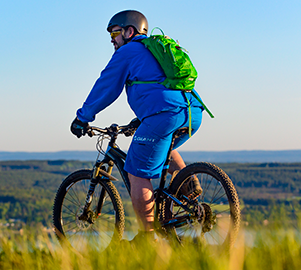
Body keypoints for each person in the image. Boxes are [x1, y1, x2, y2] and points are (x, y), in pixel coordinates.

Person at [70, 10, 205, 238]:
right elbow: (159, 86)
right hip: (192, 111)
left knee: (137, 173)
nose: (112, 39)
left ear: (129, 31)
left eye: (114, 32)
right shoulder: (153, 49)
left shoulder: (129, 51)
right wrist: (142, 119)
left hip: (164, 114)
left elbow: (106, 87)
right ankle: (188, 187)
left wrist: (83, 117)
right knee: (163, 148)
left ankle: (147, 237)